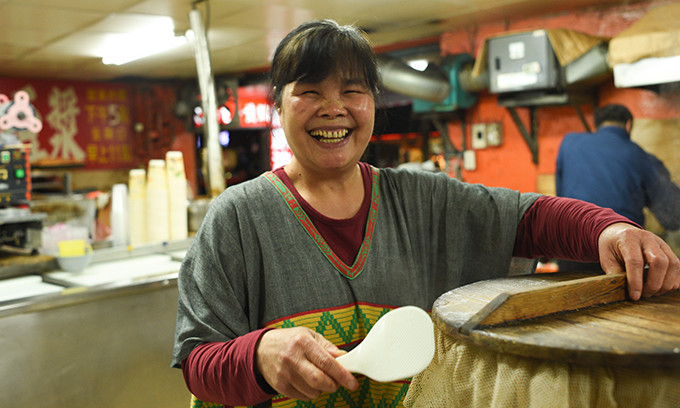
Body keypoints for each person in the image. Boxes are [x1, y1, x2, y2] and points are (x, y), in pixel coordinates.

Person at [172, 20, 680, 408]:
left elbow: (527, 218)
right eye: (310, 92)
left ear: (373, 103)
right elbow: (197, 360)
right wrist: (257, 357)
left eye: (352, 91)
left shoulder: (422, 200)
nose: (334, 108)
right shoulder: (237, 219)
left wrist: (606, 228)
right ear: (279, 108)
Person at [555, 104, 680, 272]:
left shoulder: (569, 143)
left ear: (596, 125)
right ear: (628, 125)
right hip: (619, 253)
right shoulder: (640, 157)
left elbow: (561, 193)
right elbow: (673, 216)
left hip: (569, 248)